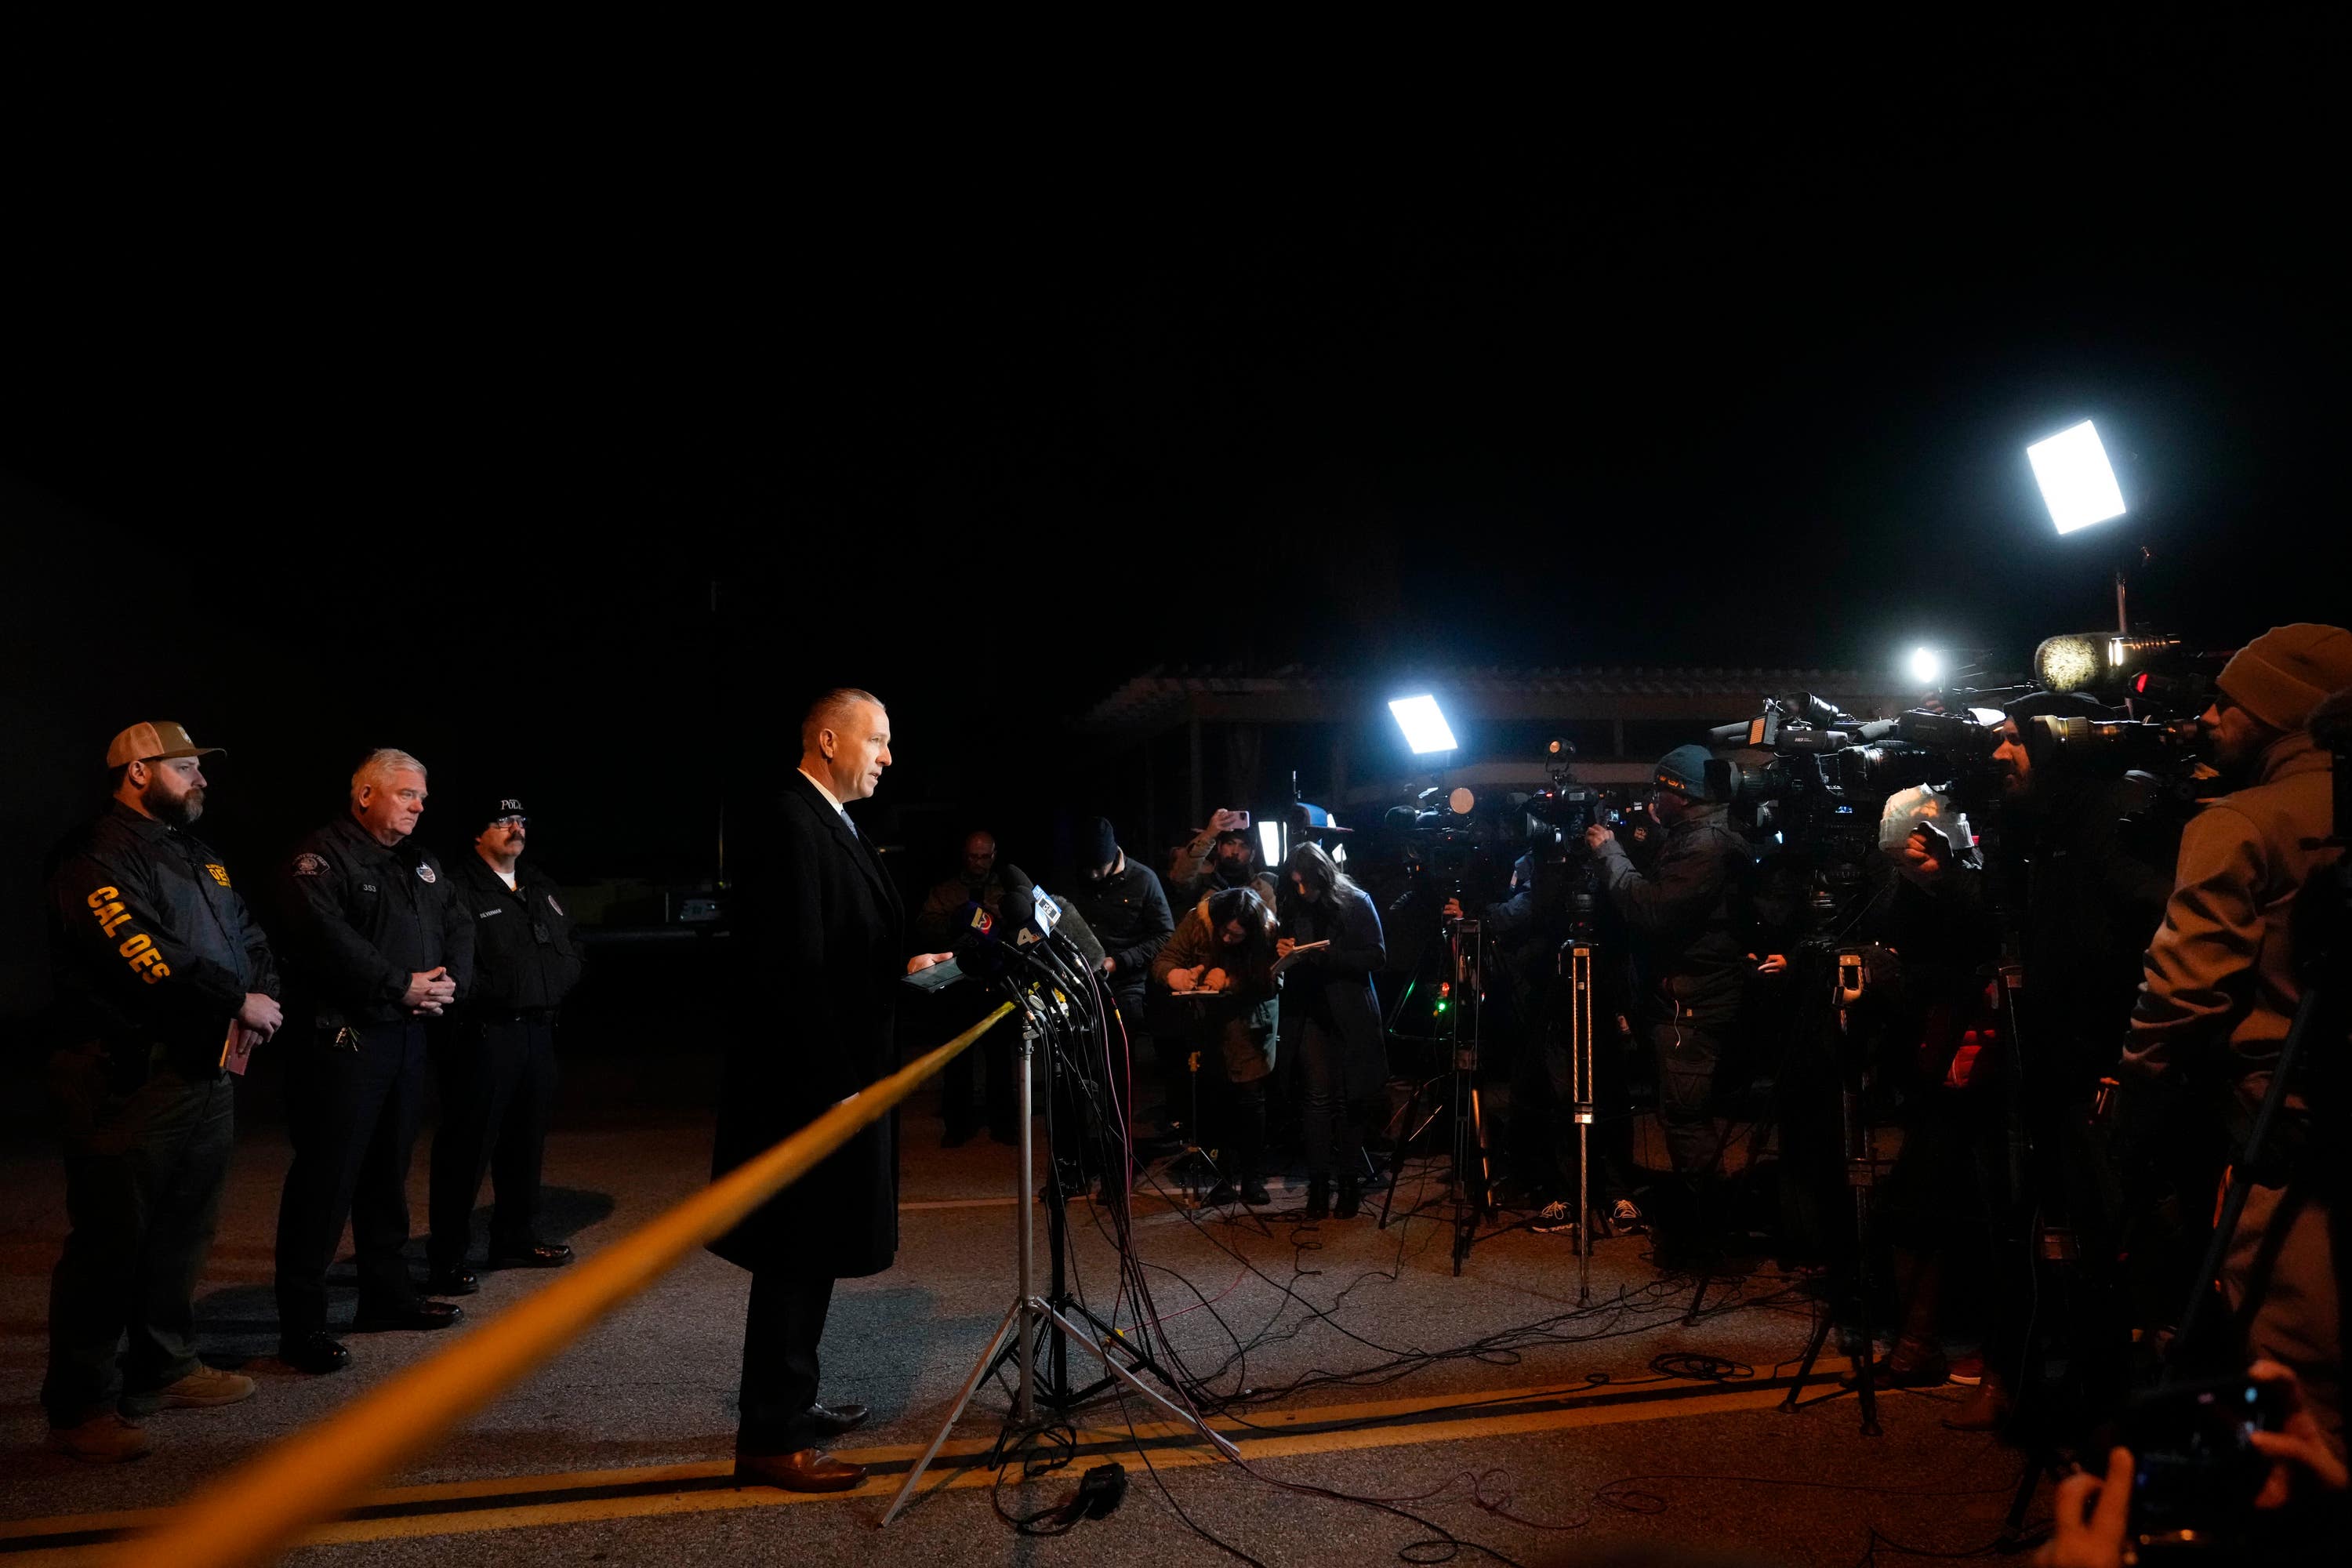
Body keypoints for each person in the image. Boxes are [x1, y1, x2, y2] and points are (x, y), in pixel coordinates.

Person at [2115, 625, 2352, 1450]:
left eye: (2230, 701)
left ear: (2283, 713)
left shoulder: (2243, 822)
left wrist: (2136, 1075)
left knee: (2301, 1381)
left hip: (2285, 1136)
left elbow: (2182, 992)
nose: (2210, 715)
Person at [708, 689, 948, 1494]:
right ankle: (772, 1434)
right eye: (878, 740)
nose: (887, 756)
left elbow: (843, 950)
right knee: (793, 1255)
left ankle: (795, 1406)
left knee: (812, 1256)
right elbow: (791, 968)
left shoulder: (832, 823)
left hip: (836, 1075)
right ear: (827, 738)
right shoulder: (787, 820)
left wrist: (902, 968)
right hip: (805, 1090)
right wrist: (835, 1084)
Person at [40, 722, 281, 1462]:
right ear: (139, 772)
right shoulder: (96, 855)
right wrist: (233, 1001)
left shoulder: (196, 855)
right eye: (186, 768)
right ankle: (81, 1407)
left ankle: (164, 1365)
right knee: (111, 1241)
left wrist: (262, 992)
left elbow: (247, 933)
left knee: (184, 1229)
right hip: (127, 1076)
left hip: (201, 1070)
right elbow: (138, 953)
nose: (202, 780)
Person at [273, 748, 474, 1374]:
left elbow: (459, 922)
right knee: (327, 1182)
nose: (419, 806)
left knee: (388, 1173)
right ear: (365, 795)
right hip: (345, 1039)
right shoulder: (320, 859)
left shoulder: (418, 862)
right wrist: (399, 985)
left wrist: (447, 987)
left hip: (406, 1034)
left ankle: (385, 1297)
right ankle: (302, 1326)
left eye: (422, 797)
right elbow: (326, 943)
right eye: (407, 793)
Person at [1583, 744, 1755, 1260]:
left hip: (1694, 1005)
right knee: (1683, 1115)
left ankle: (1712, 1238)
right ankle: (1707, 1225)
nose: (1654, 798)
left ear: (1680, 794)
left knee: (1684, 1118)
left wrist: (1610, 853)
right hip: (1693, 998)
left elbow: (1655, 910)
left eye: (1661, 788)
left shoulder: (1704, 847)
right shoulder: (1700, 837)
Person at [426, 797, 584, 1296]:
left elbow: (571, 944)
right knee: (466, 1151)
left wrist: (561, 979)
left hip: (538, 1033)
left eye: (520, 821)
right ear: (477, 833)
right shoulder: (459, 889)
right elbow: (452, 960)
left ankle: (514, 1237)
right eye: (502, 821)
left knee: (525, 1144)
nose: (515, 829)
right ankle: (446, 1258)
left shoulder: (539, 885)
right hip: (485, 1035)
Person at [1276, 844, 1387, 1220]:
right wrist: (1284, 950)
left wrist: (1329, 957)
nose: (1303, 891)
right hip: (1308, 1010)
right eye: (1297, 885)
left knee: (1348, 1099)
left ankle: (1350, 1184)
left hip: (1348, 1011)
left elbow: (1377, 956)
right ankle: (1319, 1185)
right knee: (1317, 1099)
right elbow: (1286, 943)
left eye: (1308, 884)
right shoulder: (1293, 903)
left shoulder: (1356, 902)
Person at [1152, 884, 1281, 1206]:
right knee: (1217, 1098)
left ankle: (1251, 1177)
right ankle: (1223, 1177)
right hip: (1209, 1024)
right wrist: (1176, 976)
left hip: (1251, 1023)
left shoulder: (1267, 927)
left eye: (1236, 936)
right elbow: (1165, 959)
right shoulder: (1199, 920)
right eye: (1224, 932)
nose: (1227, 940)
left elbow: (1273, 980)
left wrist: (1232, 980)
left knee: (1250, 1099)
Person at [1069, 816, 1175, 1147]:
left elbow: (1164, 935)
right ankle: (1074, 1158)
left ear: (1113, 854)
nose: (1093, 876)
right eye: (1087, 868)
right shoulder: (1077, 875)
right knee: (1072, 1075)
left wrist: (1119, 962)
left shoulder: (1144, 880)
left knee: (1117, 1073)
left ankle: (1118, 1152)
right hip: (1079, 984)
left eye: (1098, 868)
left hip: (1125, 985)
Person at [915, 830, 1014, 1147]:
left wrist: (1002, 916)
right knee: (958, 1061)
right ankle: (957, 1125)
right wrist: (958, 921)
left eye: (985, 856)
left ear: (994, 855)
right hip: (958, 982)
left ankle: (1004, 1124)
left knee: (1001, 1061)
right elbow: (925, 926)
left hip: (997, 982)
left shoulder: (1006, 890)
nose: (979, 863)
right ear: (964, 855)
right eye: (974, 856)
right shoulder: (946, 891)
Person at [1170, 809, 1278, 906]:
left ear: (1252, 854)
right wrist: (1209, 834)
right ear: (1219, 846)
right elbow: (1181, 877)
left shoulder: (1263, 890)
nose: (1235, 851)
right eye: (1230, 843)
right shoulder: (1201, 883)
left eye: (1243, 846)